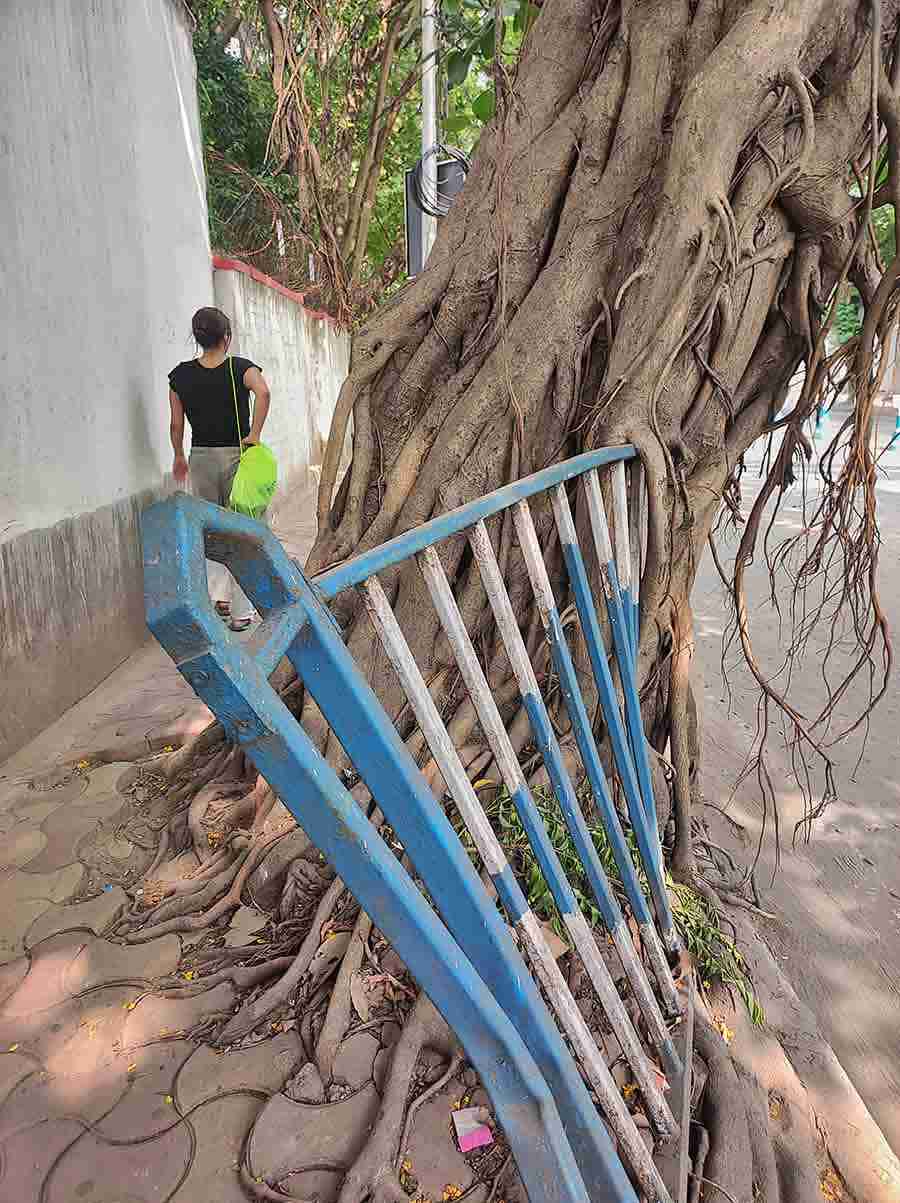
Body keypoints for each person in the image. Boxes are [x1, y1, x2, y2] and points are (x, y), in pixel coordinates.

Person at [168, 307, 272, 632]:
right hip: (236, 457)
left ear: (197, 339)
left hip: (199, 457)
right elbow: (264, 391)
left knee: (210, 529)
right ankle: (242, 612)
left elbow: (175, 424)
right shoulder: (240, 368)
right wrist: (253, 435)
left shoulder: (180, 375)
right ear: (226, 338)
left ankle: (219, 599)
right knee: (242, 530)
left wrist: (178, 456)